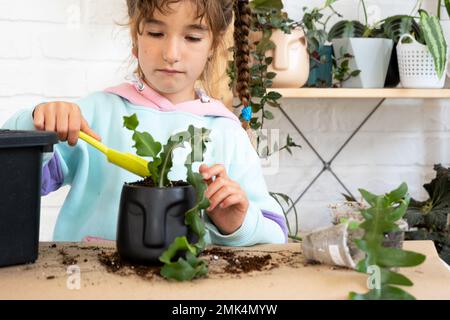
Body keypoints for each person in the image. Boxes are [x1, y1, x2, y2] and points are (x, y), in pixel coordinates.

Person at [2, 0, 287, 245]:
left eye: (192, 38)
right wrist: (36, 122)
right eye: (155, 32)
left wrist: (235, 224)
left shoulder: (227, 133)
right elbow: (15, 179)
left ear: (214, 44)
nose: (171, 53)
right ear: (135, 36)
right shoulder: (95, 113)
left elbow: (276, 234)